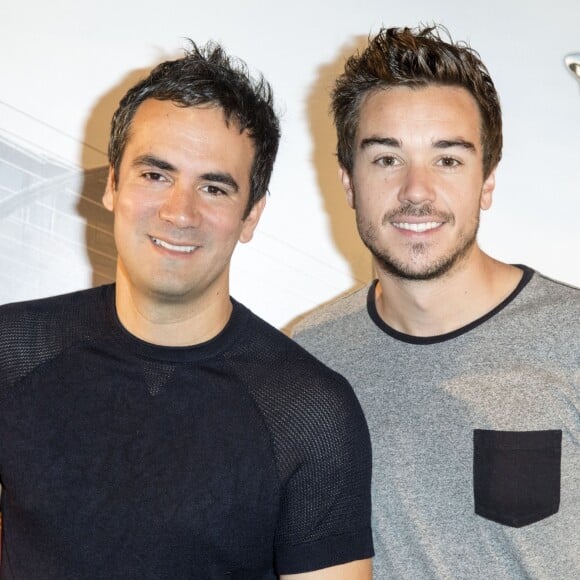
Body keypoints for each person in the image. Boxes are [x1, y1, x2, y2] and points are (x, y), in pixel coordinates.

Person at [0, 42, 373, 579]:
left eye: (214, 187)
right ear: (112, 184)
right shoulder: (13, 350)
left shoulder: (310, 412)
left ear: (251, 217)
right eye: (156, 175)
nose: (179, 212)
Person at [293, 25, 579, 579]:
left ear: (487, 180)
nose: (416, 190)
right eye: (385, 159)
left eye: (447, 160)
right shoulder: (305, 362)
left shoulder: (572, 339)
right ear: (348, 182)